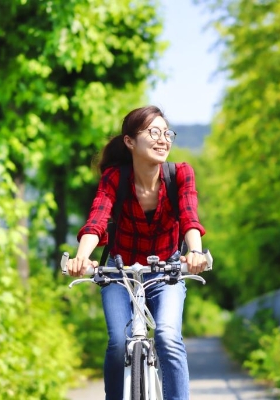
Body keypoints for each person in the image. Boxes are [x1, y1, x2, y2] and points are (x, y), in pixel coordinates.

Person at [66, 105, 208, 400]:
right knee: (119, 342)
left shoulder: (180, 174)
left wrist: (195, 252)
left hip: (166, 274)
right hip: (119, 275)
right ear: (129, 141)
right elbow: (97, 220)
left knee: (168, 337)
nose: (162, 139)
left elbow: (189, 217)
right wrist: (81, 257)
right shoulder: (115, 178)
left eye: (166, 132)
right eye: (153, 132)